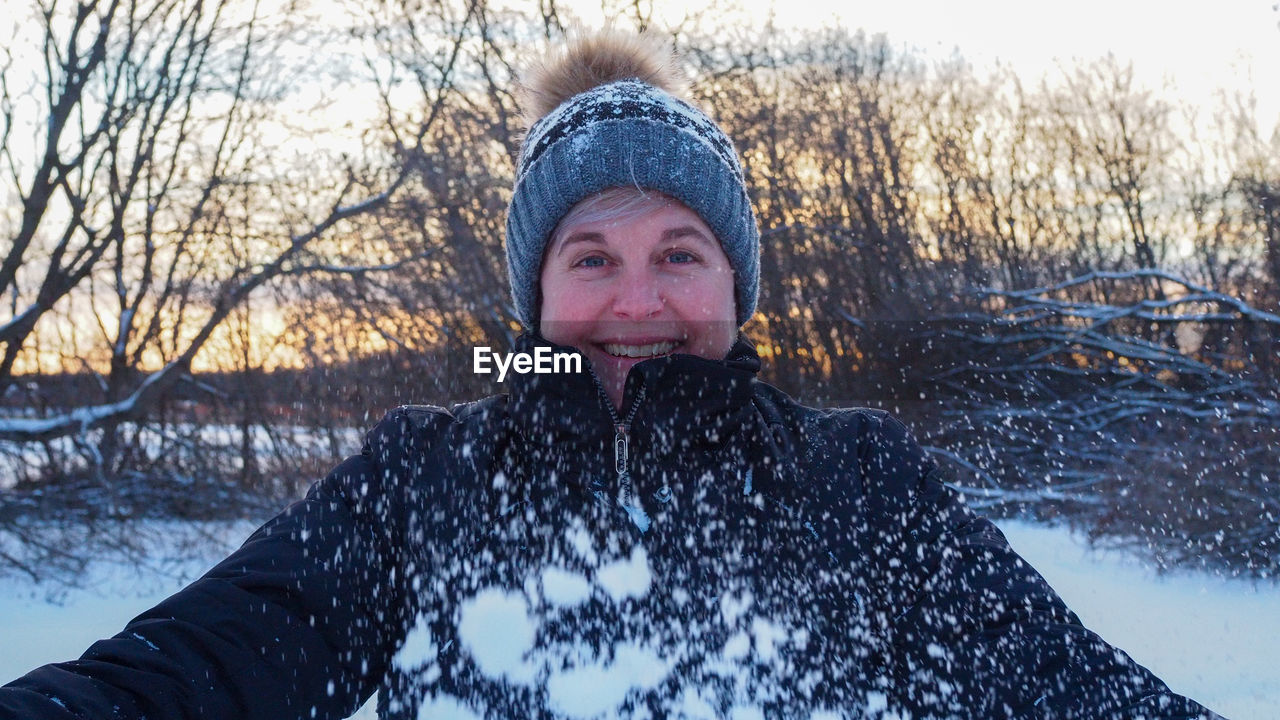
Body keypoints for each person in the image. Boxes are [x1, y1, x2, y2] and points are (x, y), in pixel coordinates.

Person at [1, 28, 1222, 720]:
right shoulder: (422, 476)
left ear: (735, 288)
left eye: (677, 252)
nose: (634, 300)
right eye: (590, 256)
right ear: (533, 297)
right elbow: (198, 672)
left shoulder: (855, 480)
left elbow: (1068, 689)